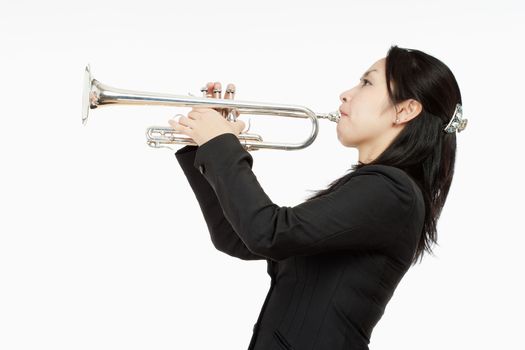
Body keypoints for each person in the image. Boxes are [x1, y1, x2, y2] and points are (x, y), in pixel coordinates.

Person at [169, 45, 466, 350]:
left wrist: (222, 144)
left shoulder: (392, 190)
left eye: (367, 83)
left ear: (404, 110)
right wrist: (203, 147)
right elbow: (237, 239)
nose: (345, 94)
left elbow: (268, 233)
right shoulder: (377, 189)